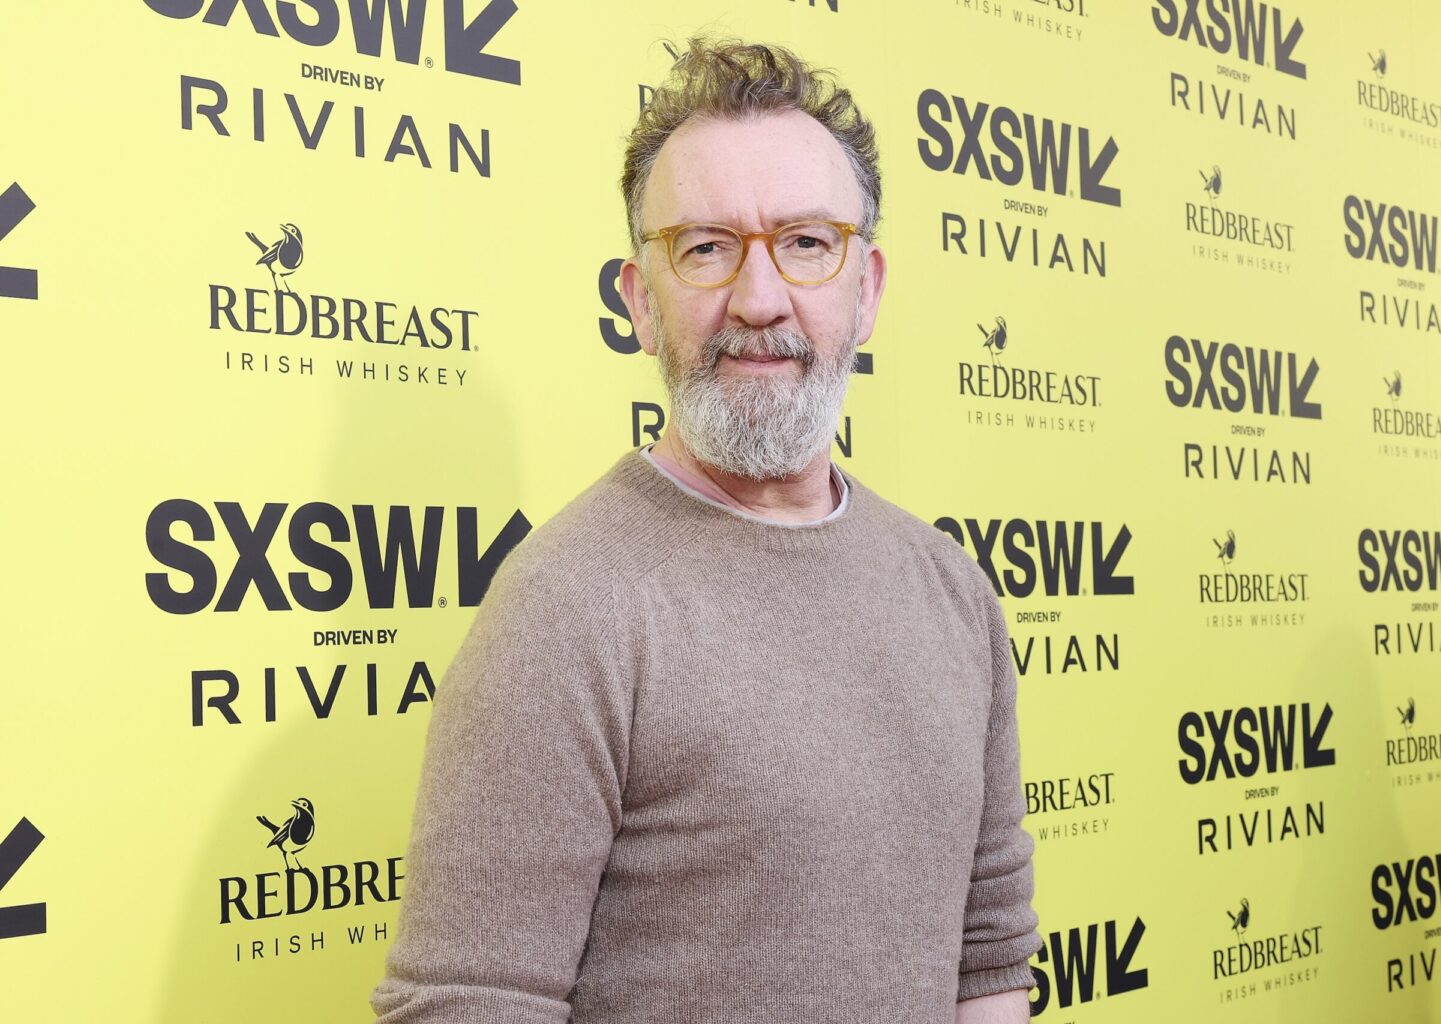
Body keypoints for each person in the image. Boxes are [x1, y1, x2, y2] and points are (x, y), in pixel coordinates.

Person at [370, 36, 1042, 1024]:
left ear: (869, 288)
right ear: (642, 301)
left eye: (807, 243)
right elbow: (467, 1004)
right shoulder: (563, 608)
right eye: (707, 246)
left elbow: (988, 961)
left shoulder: (950, 589)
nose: (759, 299)